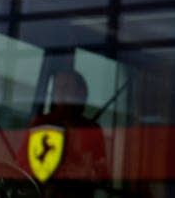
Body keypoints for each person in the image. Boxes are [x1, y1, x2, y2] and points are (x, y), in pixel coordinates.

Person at [15, 69, 109, 198]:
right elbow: (22, 165)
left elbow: (102, 172)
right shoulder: (41, 124)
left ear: (82, 93)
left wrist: (88, 172)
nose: (61, 93)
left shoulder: (92, 129)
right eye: (57, 88)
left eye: (67, 88)